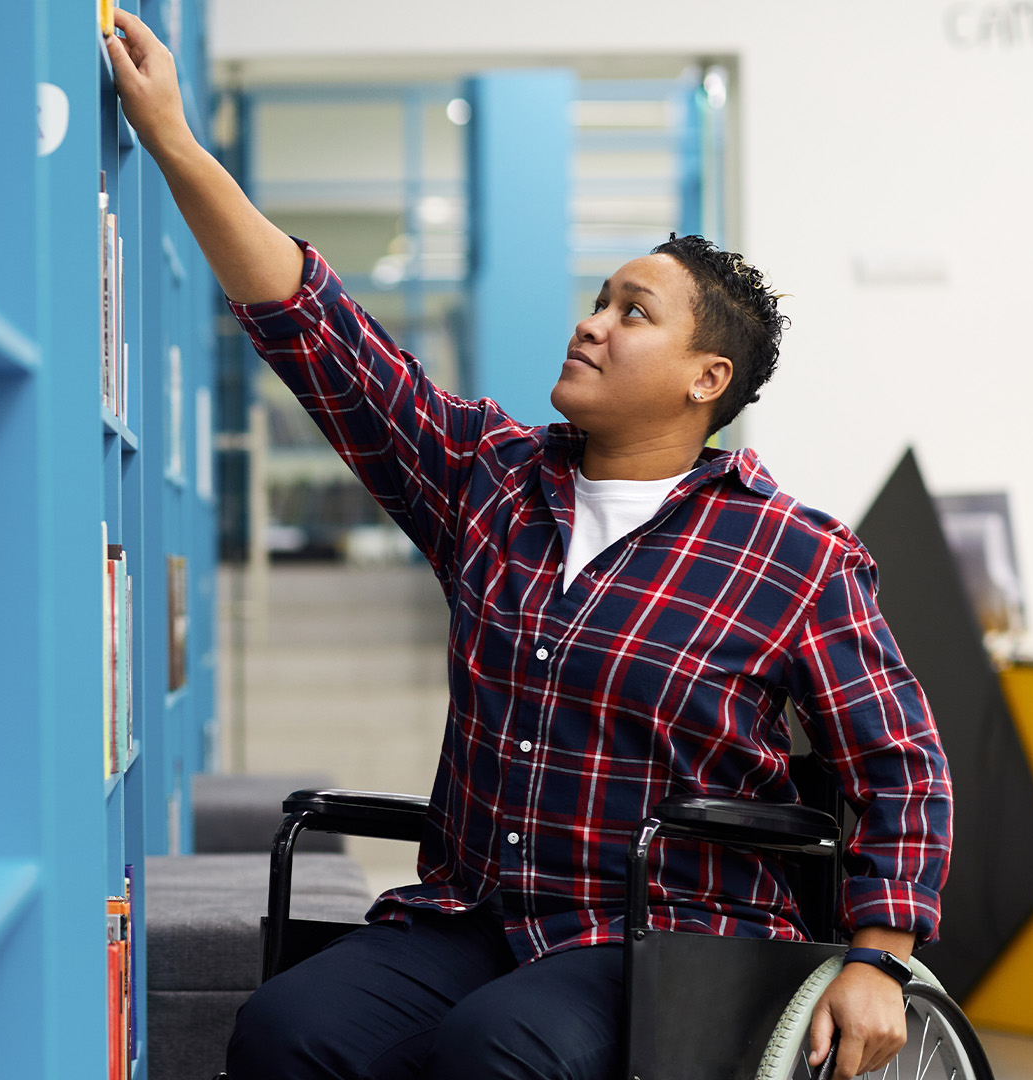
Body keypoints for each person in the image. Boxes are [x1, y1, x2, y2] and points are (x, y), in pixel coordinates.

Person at [105, 10, 953, 1080]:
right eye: (598, 300)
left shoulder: (796, 555)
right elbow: (318, 328)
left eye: (633, 312)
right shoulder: (491, 479)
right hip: (476, 914)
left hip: (666, 939)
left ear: (708, 381)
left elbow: (902, 766)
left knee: (493, 1052)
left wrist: (881, 958)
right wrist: (176, 141)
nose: (591, 323)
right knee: (286, 1031)